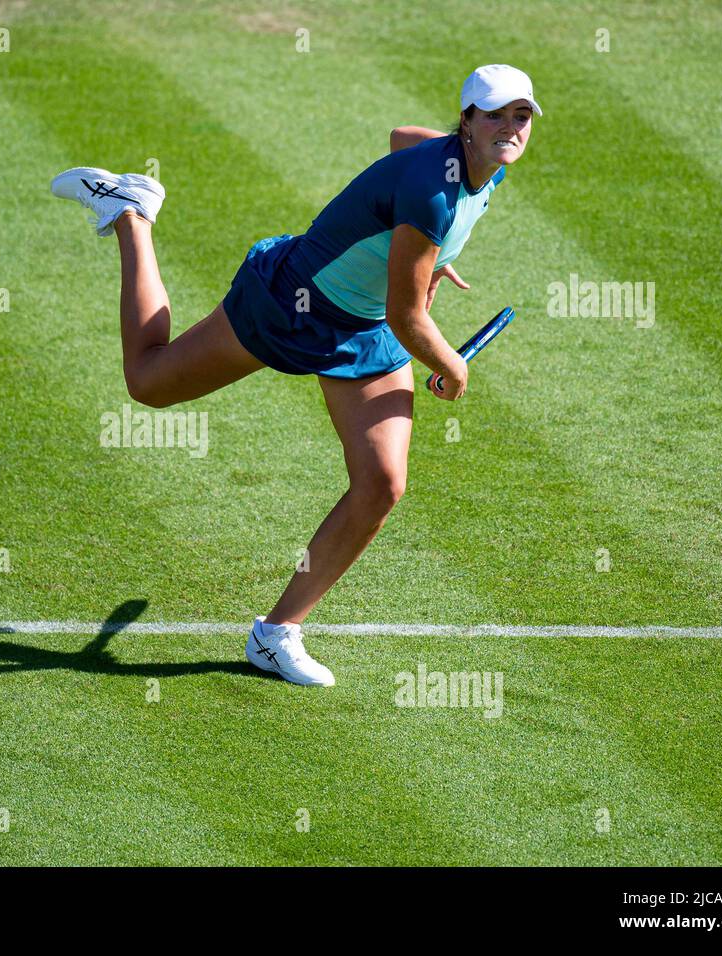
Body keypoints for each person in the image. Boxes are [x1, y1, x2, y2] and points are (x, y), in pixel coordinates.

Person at [50, 65, 542, 686]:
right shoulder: (436, 192)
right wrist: (450, 364)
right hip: (293, 304)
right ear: (466, 120)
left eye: (521, 116)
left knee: (382, 482)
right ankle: (131, 215)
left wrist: (421, 260)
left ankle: (276, 634)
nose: (510, 129)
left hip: (363, 330)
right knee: (148, 382)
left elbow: (400, 139)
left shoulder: (474, 161)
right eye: (495, 115)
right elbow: (408, 315)